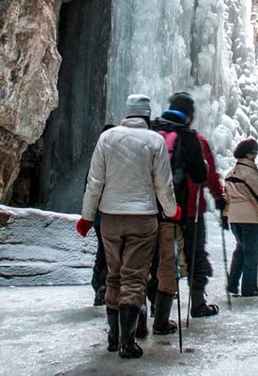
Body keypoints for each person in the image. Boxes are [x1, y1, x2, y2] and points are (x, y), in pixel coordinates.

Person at [77, 95, 181, 359]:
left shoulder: (107, 138)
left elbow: (95, 181)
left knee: (114, 275)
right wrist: (171, 211)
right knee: (135, 277)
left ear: (127, 114)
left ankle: (112, 337)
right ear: (146, 115)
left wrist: (87, 217)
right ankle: (127, 341)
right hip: (142, 218)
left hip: (110, 217)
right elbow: (163, 185)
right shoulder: (155, 140)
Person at [147, 98, 208, 334]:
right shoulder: (188, 137)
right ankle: (161, 320)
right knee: (167, 265)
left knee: (144, 264)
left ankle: (143, 313)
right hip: (171, 213)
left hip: (143, 210)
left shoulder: (151, 130)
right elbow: (200, 175)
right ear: (189, 116)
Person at [161, 91, 225, 318]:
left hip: (162, 210)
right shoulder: (196, 141)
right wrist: (219, 199)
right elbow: (209, 176)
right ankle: (197, 301)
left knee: (161, 257)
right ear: (189, 116)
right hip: (191, 210)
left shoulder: (156, 136)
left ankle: (157, 307)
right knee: (195, 254)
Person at [222, 138, 258, 297]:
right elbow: (257, 196)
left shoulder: (231, 173)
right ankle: (249, 289)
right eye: (255, 153)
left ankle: (232, 284)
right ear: (250, 154)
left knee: (240, 251)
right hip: (250, 218)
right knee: (251, 254)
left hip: (234, 218)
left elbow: (227, 198)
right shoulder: (250, 173)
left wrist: (225, 215)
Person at [90, 124, 116, 307]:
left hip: (99, 215)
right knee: (110, 251)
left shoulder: (97, 158)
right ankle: (104, 284)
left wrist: (88, 213)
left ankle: (98, 282)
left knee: (103, 249)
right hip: (110, 213)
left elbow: (90, 186)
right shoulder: (114, 159)